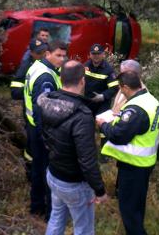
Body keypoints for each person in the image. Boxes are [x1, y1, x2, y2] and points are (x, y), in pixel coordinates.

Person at [37, 60, 108, 235]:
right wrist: (100, 190)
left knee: (56, 217)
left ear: (61, 79)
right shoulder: (82, 116)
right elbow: (87, 160)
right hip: (74, 184)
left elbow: (45, 136)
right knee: (84, 229)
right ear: (82, 81)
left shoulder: (46, 102)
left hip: (53, 174)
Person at [96, 71, 159, 235]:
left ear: (125, 87)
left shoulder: (135, 109)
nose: (120, 91)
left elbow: (118, 136)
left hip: (134, 166)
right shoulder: (151, 100)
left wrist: (103, 124)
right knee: (137, 205)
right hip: (145, 163)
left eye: (120, 88)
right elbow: (138, 127)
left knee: (129, 211)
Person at [24, 40, 67, 219]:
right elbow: (41, 110)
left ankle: (36, 207)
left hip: (34, 129)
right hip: (42, 132)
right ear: (47, 54)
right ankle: (50, 214)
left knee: (37, 168)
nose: (62, 59)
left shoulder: (37, 66)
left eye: (64, 55)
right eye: (58, 55)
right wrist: (47, 138)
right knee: (47, 173)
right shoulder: (46, 77)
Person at [10, 39, 48, 168]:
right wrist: (31, 89)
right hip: (32, 116)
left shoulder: (48, 64)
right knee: (32, 147)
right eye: (39, 52)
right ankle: (30, 169)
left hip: (45, 114)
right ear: (31, 53)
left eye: (44, 50)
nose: (43, 54)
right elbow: (15, 91)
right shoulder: (26, 66)